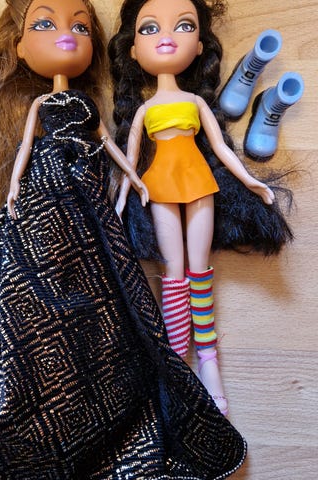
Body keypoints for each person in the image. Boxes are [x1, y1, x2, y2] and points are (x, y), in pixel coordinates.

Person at [0, 0, 246, 478]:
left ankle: (184, 365)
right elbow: (25, 148)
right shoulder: (39, 106)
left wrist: (131, 179)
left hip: (92, 199)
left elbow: (110, 145)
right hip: (43, 195)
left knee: (121, 292)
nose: (65, 35)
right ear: (19, 47)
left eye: (81, 28)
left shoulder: (89, 106)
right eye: (44, 24)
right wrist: (15, 189)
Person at [109, 0, 292, 416]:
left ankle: (208, 359)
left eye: (183, 26)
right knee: (173, 273)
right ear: (133, 51)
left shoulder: (195, 102)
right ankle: (178, 364)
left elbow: (223, 150)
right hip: (159, 187)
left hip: (198, 183)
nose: (166, 38)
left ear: (198, 47)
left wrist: (249, 179)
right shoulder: (144, 110)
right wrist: (121, 197)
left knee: (199, 270)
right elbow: (130, 161)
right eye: (150, 29)